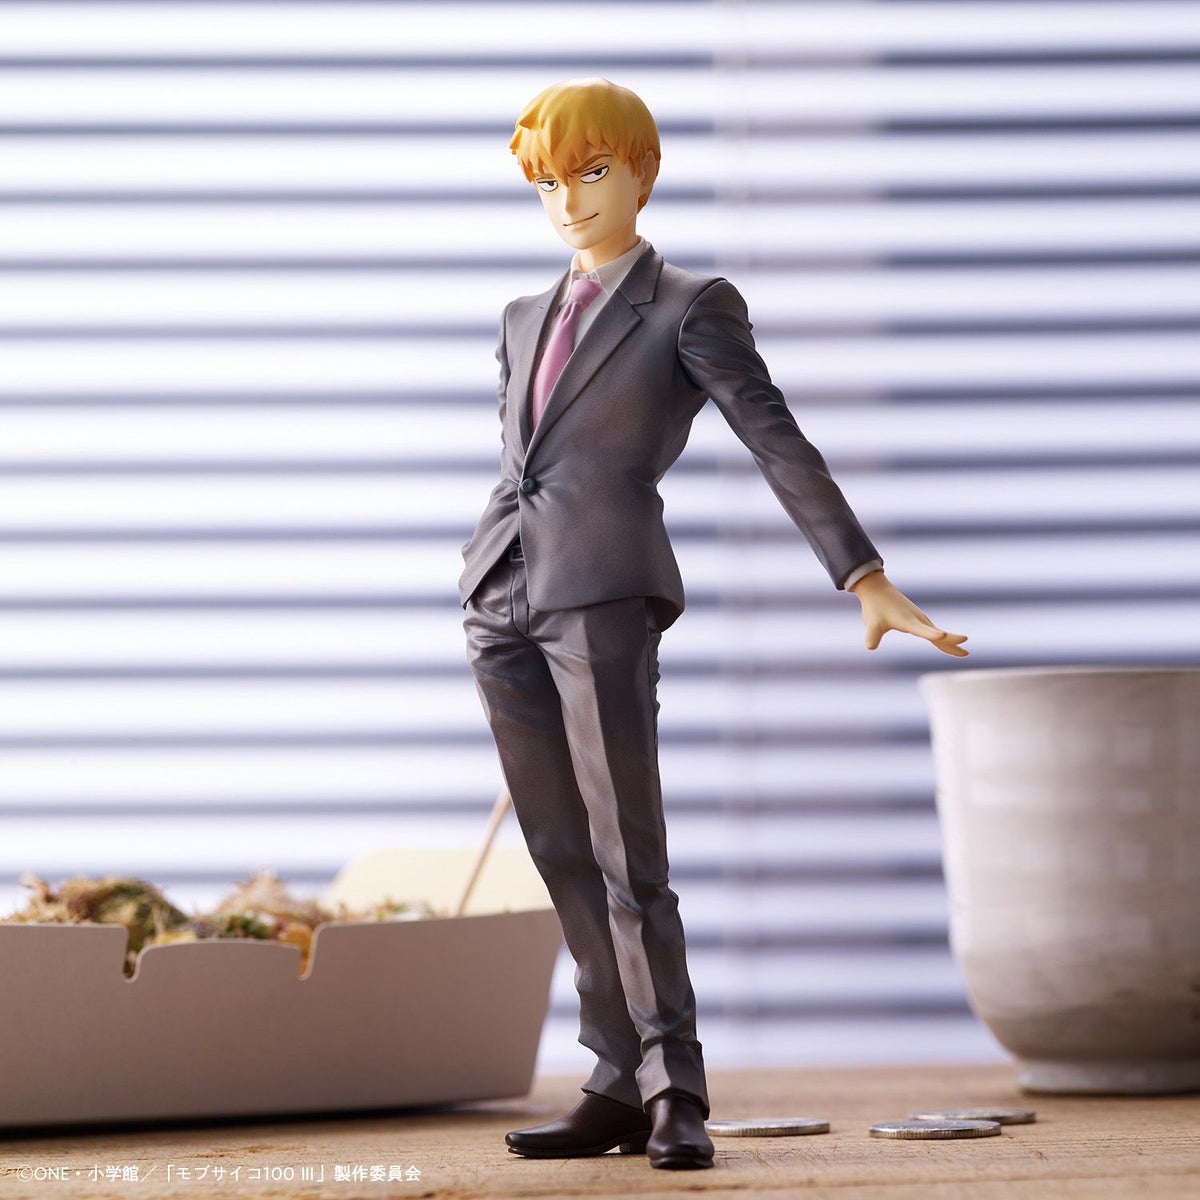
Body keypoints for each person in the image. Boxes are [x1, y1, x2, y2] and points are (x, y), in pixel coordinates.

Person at [459, 78, 968, 1171]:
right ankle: (612, 1075)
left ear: (642, 172)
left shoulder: (690, 305)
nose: (570, 201)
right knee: (558, 850)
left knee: (627, 849)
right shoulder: (520, 316)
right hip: (502, 595)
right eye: (548, 183)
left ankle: (674, 1085)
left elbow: (773, 435)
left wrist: (862, 572)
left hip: (604, 591)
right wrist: (484, 574)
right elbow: (523, 461)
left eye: (592, 173)